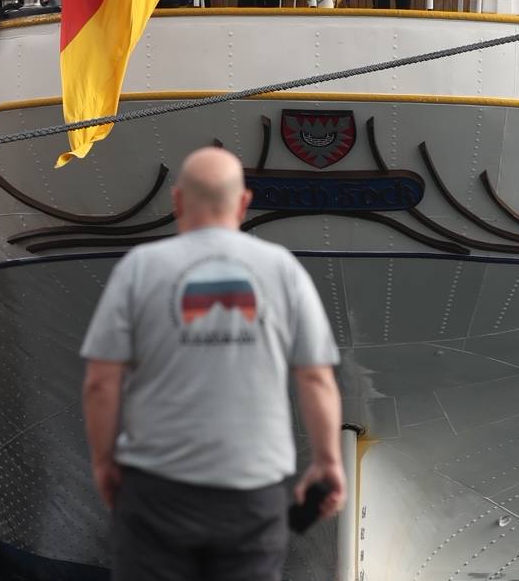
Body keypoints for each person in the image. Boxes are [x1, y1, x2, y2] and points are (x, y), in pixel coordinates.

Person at [81, 147, 346, 581]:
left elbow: (101, 382)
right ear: (243, 203)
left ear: (177, 200)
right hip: (252, 498)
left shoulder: (140, 268)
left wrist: (104, 462)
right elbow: (316, 378)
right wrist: (327, 461)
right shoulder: (282, 269)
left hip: (155, 493)